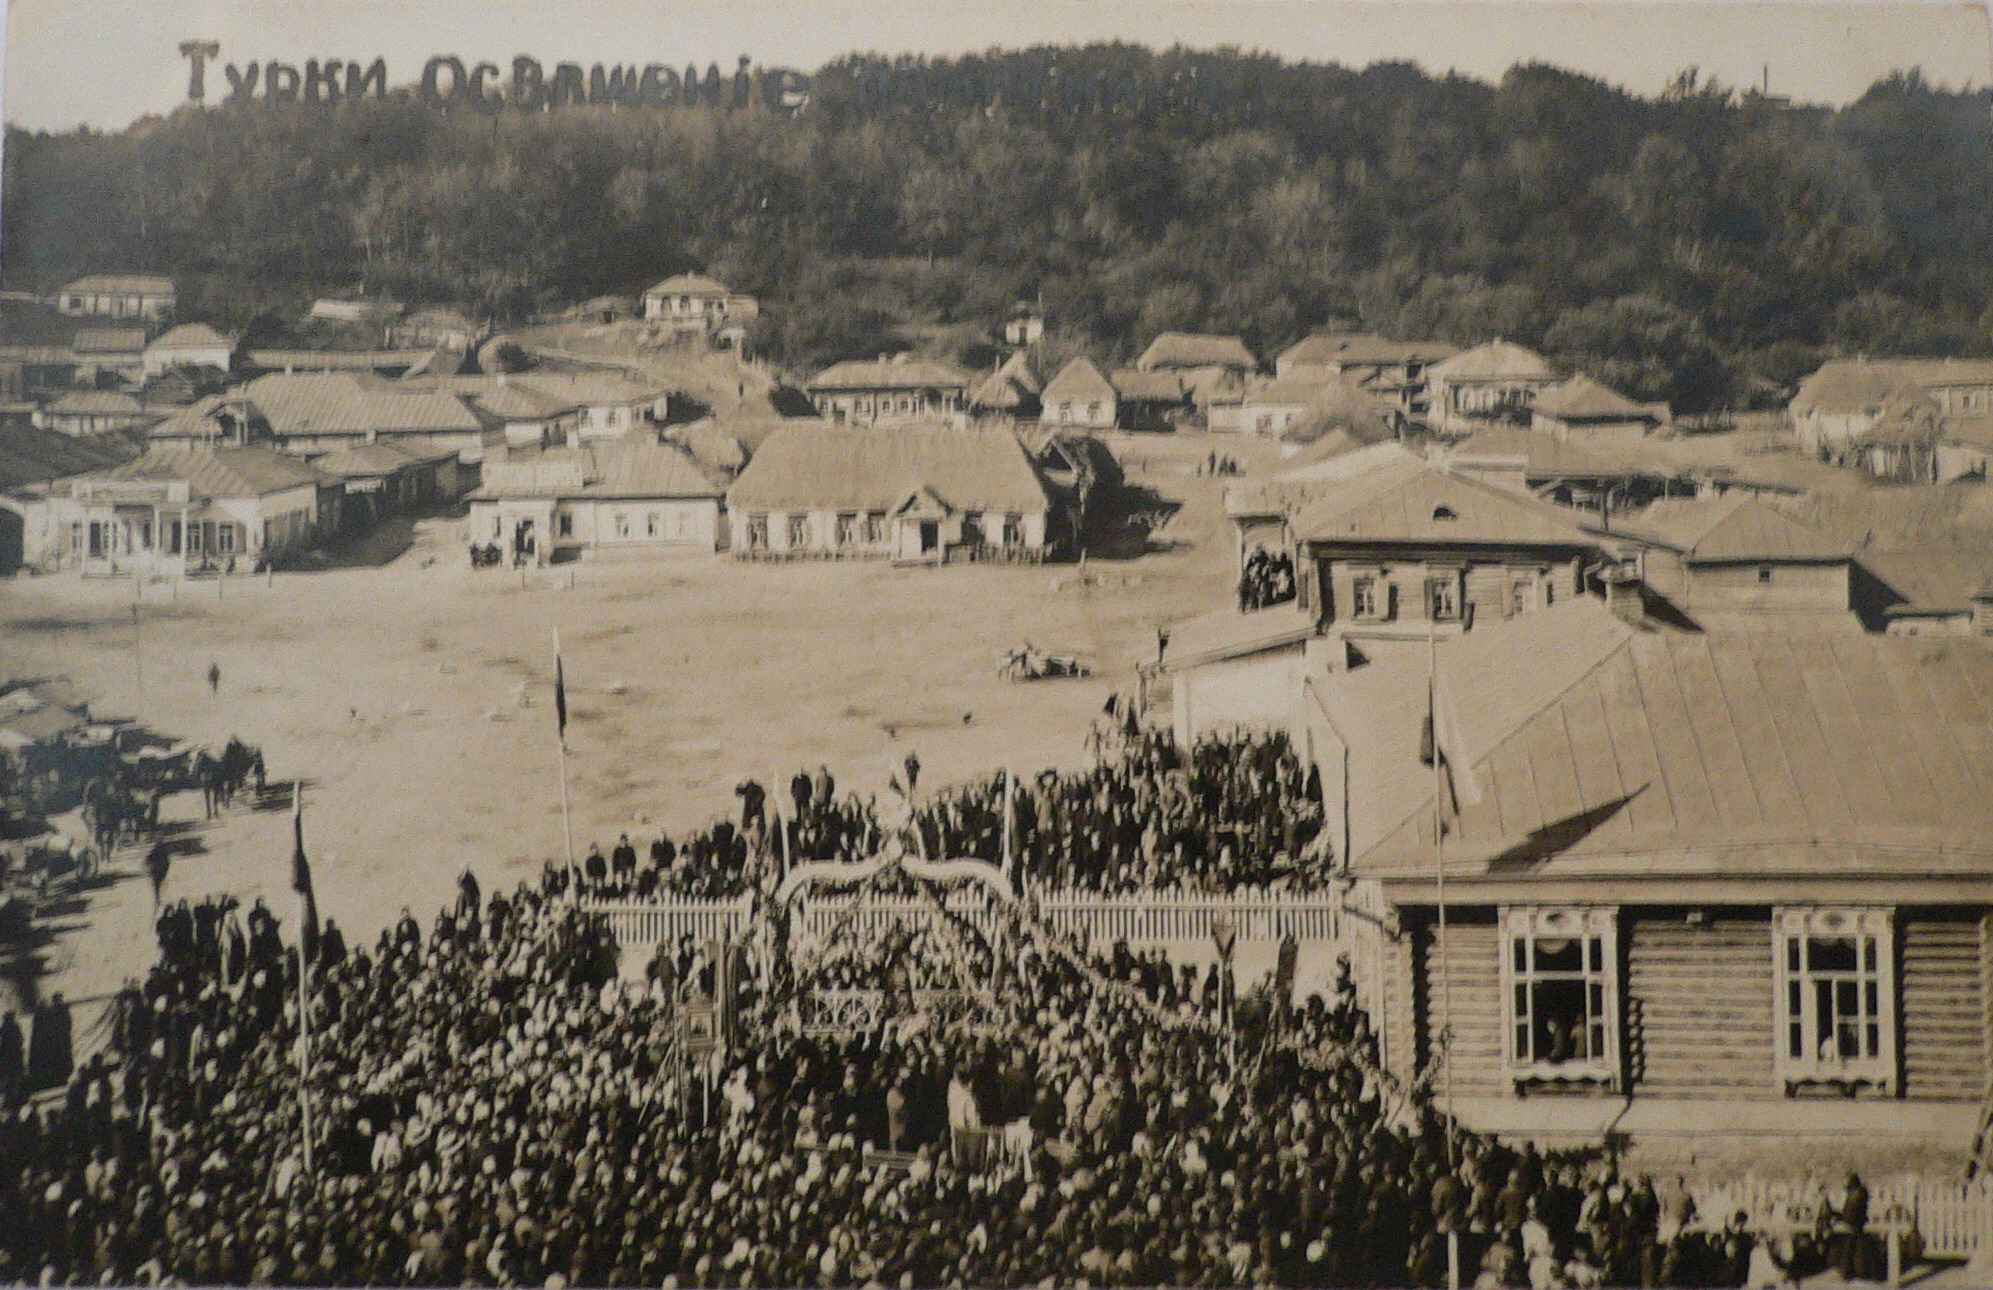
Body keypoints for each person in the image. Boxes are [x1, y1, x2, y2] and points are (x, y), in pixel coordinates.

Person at [145, 842, 172, 908]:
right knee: (158, 885)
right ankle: (158, 898)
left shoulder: (153, 853)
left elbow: (147, 861)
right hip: (160, 873)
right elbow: (167, 864)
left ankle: (157, 898)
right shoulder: (164, 854)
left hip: (155, 873)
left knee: (156, 886)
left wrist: (149, 869)